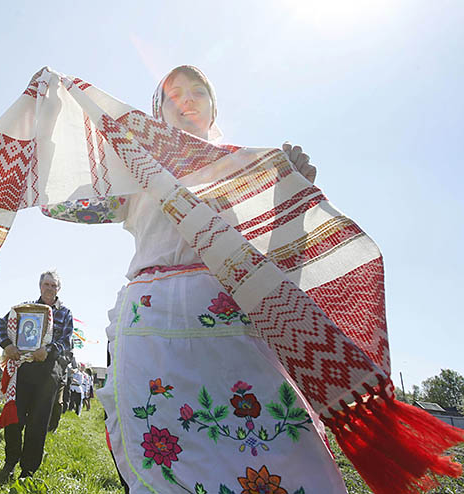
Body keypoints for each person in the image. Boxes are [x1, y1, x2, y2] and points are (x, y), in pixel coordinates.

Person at [43, 66, 347, 493]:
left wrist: (289, 196)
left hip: (235, 329)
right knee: (167, 460)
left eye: (197, 91)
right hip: (153, 329)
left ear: (212, 106)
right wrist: (50, 125)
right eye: (173, 95)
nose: (186, 99)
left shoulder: (245, 173)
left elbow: (281, 258)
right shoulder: (136, 172)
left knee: (280, 454)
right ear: (158, 114)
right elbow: (59, 204)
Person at [0, 270, 74, 479]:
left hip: (48, 372)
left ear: (59, 289)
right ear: (40, 286)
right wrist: (7, 344)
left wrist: (48, 350)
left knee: (38, 423)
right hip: (24, 368)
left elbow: (67, 341)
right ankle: (10, 462)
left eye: (53, 285)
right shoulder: (26, 309)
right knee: (14, 418)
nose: (49, 288)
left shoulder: (64, 313)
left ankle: (27, 471)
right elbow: (0, 324)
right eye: (46, 284)